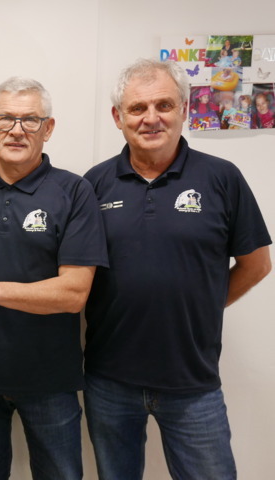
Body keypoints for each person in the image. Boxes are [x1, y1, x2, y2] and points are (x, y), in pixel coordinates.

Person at [83, 58, 272, 480]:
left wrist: (203, 303)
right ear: (117, 117)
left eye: (164, 105)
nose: (151, 118)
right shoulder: (93, 185)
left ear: (184, 109)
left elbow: (257, 264)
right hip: (109, 380)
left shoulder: (222, 178)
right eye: (137, 108)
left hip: (193, 383)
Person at [0, 77, 109, 480]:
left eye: (30, 120)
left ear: (48, 128)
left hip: (49, 379)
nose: (16, 130)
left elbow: (74, 293)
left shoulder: (75, 192)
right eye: (5, 119)